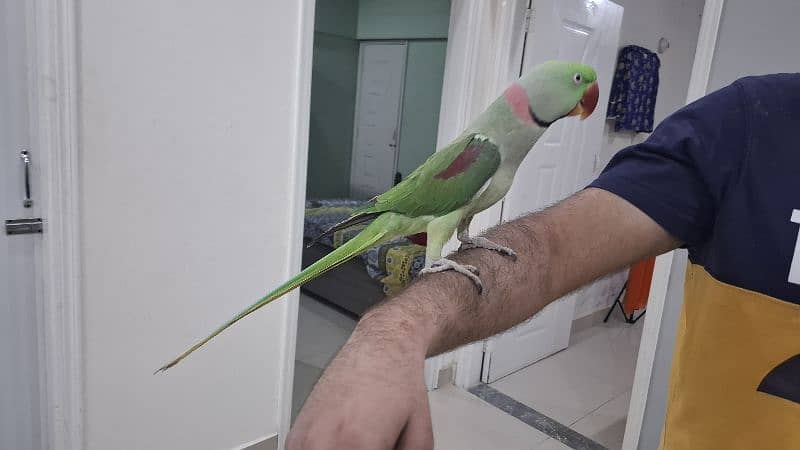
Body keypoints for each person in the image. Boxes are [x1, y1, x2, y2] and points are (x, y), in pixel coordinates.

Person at [286, 74, 800, 450]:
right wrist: (395, 328)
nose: (585, 96)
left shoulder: (507, 152)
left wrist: (468, 243)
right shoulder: (750, 120)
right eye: (578, 82)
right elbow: (551, 248)